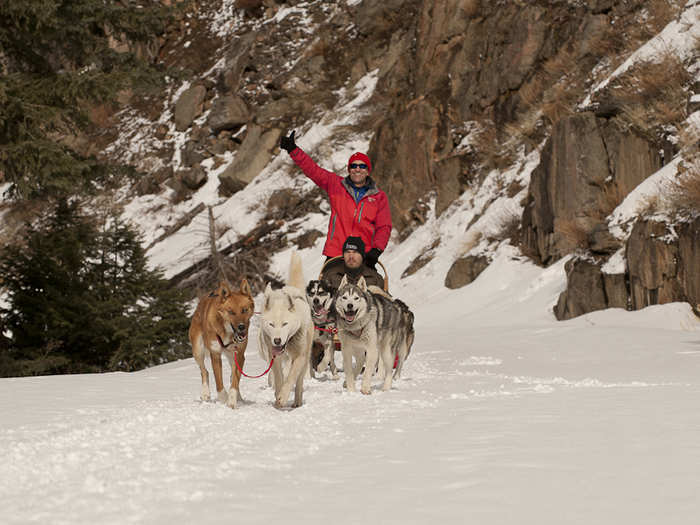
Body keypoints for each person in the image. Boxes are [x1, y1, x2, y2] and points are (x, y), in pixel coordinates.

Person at [280, 130, 391, 269]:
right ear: (349, 169)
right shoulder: (335, 184)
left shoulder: (379, 197)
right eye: (353, 166)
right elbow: (313, 170)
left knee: (374, 289)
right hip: (336, 254)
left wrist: (376, 250)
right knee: (324, 289)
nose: (358, 169)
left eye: (362, 166)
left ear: (367, 170)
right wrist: (293, 150)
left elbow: (384, 227)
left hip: (364, 256)